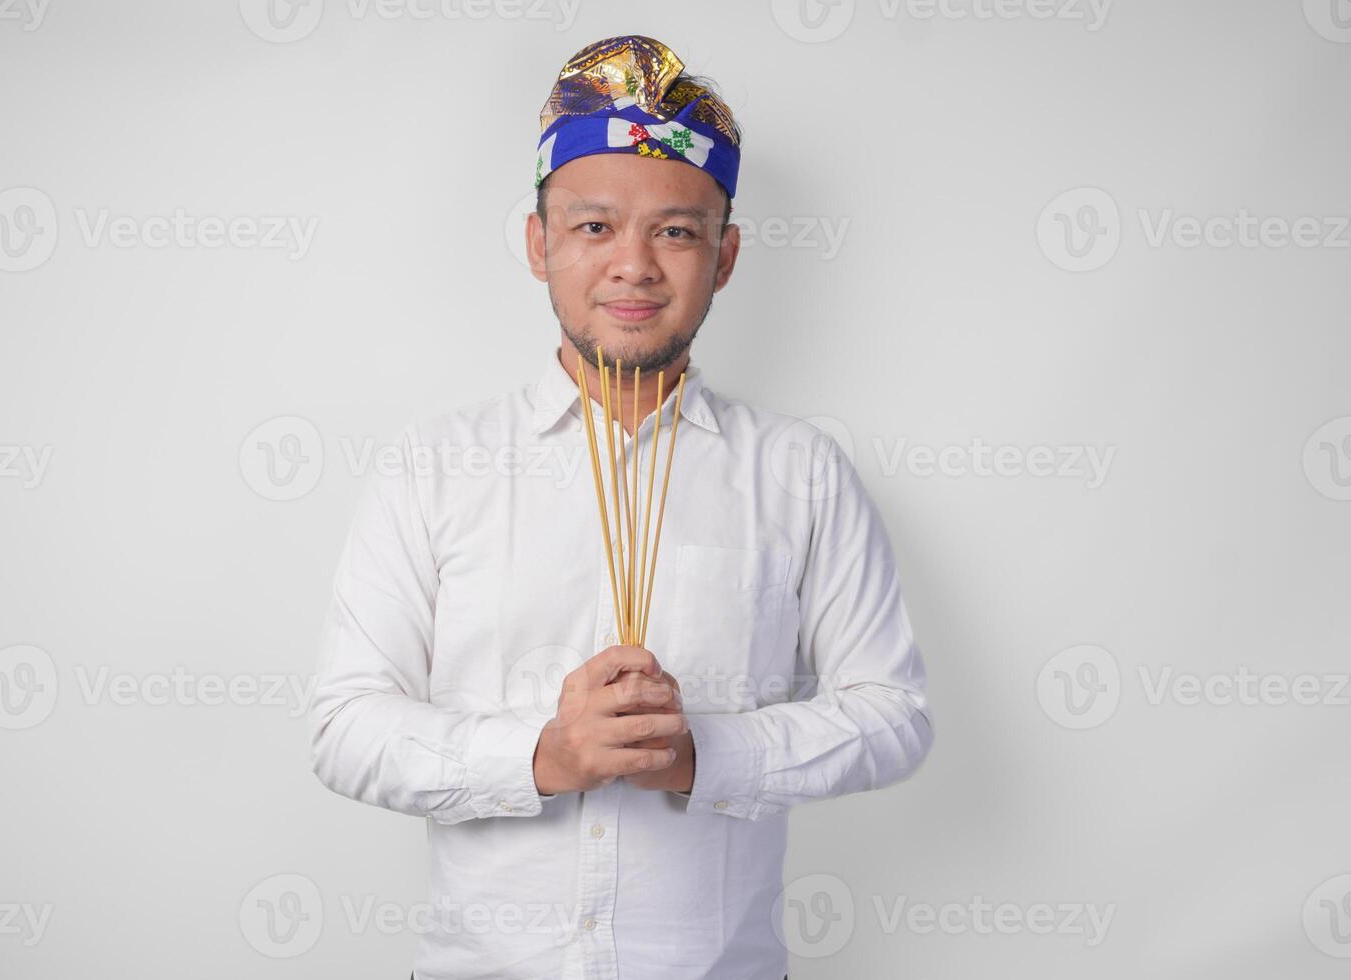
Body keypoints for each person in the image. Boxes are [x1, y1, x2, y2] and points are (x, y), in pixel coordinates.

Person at [309, 34, 934, 980]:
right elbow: (345, 725)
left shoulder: (802, 474)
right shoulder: (432, 467)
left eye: (676, 231)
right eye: (594, 227)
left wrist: (704, 756)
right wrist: (544, 756)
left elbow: (894, 716)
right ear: (539, 244)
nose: (634, 265)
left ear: (723, 258)